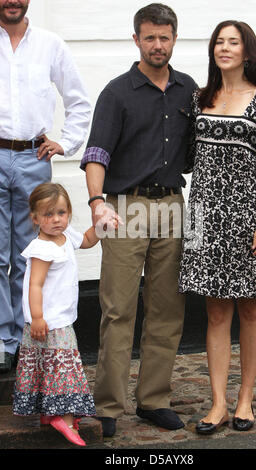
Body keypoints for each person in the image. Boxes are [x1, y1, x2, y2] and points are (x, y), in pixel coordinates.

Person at [80, 3, 197, 437]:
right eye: (149, 37)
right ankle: (108, 406)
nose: (157, 45)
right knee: (117, 309)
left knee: (168, 309)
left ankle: (154, 400)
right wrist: (96, 203)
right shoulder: (117, 92)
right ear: (136, 39)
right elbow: (96, 155)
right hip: (124, 206)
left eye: (164, 37)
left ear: (174, 38)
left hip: (173, 205)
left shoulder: (189, 90)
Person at [179, 20, 256, 434]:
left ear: (247, 51)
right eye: (219, 42)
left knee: (250, 306)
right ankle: (217, 403)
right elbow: (187, 157)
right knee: (214, 310)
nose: (224, 48)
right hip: (204, 215)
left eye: (234, 42)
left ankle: (245, 399)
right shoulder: (199, 98)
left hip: (248, 217)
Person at [0, 0, 91, 373]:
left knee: (30, 252)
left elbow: (79, 101)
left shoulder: (50, 44)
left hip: (32, 158)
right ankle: (2, 342)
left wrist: (66, 143)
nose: (12, 1)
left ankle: (27, 338)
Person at [12, 183, 100, 447]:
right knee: (65, 371)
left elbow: (86, 241)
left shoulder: (65, 235)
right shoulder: (42, 248)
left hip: (60, 318)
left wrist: (100, 226)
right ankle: (67, 420)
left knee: (49, 367)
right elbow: (34, 284)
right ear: (35, 219)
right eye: (48, 215)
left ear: (69, 213)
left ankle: (49, 414)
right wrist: (37, 318)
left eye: (61, 213)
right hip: (49, 322)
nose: (56, 220)